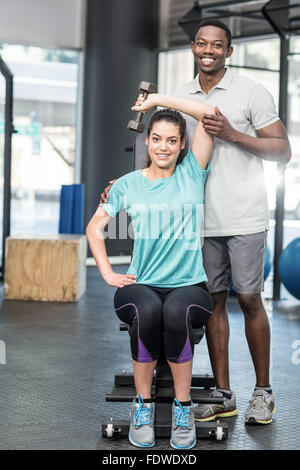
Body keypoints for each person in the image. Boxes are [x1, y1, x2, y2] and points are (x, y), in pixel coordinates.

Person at [100, 19, 291, 426]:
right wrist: (124, 186)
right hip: (196, 223)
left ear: (229, 51)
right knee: (216, 303)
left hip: (241, 215)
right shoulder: (181, 96)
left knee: (251, 300)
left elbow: (283, 151)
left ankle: (263, 392)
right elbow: (161, 149)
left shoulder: (251, 91)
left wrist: (235, 135)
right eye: (202, 44)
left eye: (217, 44)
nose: (209, 50)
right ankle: (224, 395)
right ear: (191, 47)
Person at [86, 93, 216, 449]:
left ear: (182, 144)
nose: (163, 146)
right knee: (148, 310)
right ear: (147, 141)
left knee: (175, 311)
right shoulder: (127, 184)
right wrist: (108, 273)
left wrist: (157, 99)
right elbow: (94, 228)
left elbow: (209, 113)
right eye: (156, 138)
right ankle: (141, 405)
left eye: (172, 140)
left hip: (190, 284)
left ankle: (183, 408)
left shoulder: (192, 173)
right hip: (140, 282)